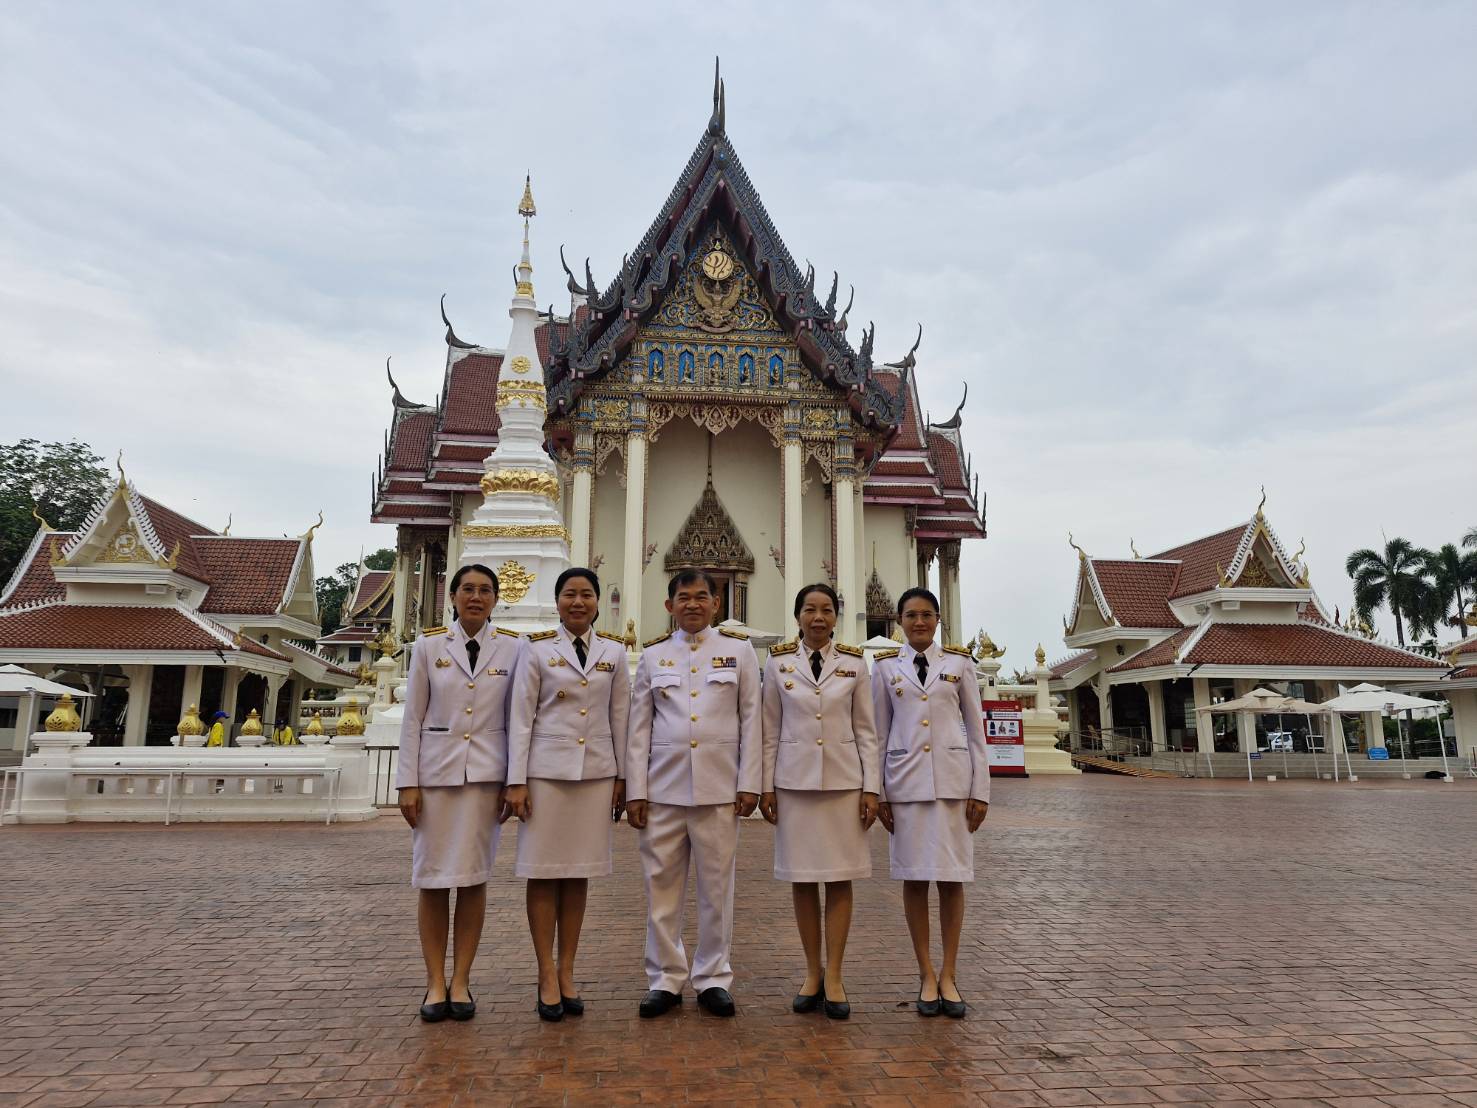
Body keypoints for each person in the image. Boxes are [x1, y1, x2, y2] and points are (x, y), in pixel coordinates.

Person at [625, 569, 761, 1018]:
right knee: (661, 889)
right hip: (663, 789)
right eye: (684, 597)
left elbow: (752, 721)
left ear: (716, 604)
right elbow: (639, 729)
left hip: (719, 788)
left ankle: (713, 977)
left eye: (702, 597)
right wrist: (636, 790)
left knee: (716, 890)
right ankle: (664, 978)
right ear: (670, 606)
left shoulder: (739, 652)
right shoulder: (653, 656)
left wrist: (749, 782)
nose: (693, 605)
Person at [504, 568, 630, 1022]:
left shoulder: (614, 651)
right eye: (570, 595)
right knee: (543, 873)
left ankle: (568, 971)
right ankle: (545, 972)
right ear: (557, 601)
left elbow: (621, 717)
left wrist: (623, 777)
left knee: (578, 874)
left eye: (587, 595)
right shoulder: (535, 648)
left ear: (597, 602)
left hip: (595, 774)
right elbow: (521, 717)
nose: (579, 602)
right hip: (545, 775)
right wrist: (516, 780)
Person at [395, 564, 519, 1023]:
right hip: (435, 778)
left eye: (485, 590)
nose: (476, 597)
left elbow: (517, 719)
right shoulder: (429, 646)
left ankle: (462, 979)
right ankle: (434, 981)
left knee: (472, 878)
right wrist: (407, 782)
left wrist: (514, 779)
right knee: (432, 879)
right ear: (452, 596)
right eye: (468, 589)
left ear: (495, 599)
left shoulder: (513, 648)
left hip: (485, 779)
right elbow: (412, 718)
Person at [759, 584, 879, 1020]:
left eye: (827, 610)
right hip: (794, 784)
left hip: (844, 784)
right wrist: (766, 786)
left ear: (835, 618)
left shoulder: (853, 663)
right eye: (810, 609)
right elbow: (769, 729)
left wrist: (871, 788)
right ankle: (812, 972)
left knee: (841, 878)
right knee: (803, 879)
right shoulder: (777, 663)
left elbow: (866, 730)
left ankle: (836, 976)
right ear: (798, 616)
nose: (818, 617)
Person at [870, 587, 989, 1019]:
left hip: (953, 785)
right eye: (911, 615)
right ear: (899, 621)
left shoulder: (959, 664)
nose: (919, 622)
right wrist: (879, 792)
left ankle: (950, 974)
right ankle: (925, 973)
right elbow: (878, 734)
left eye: (926, 615)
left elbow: (976, 731)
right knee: (915, 878)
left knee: (952, 879)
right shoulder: (885, 667)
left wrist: (981, 790)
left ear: (938, 620)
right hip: (905, 786)